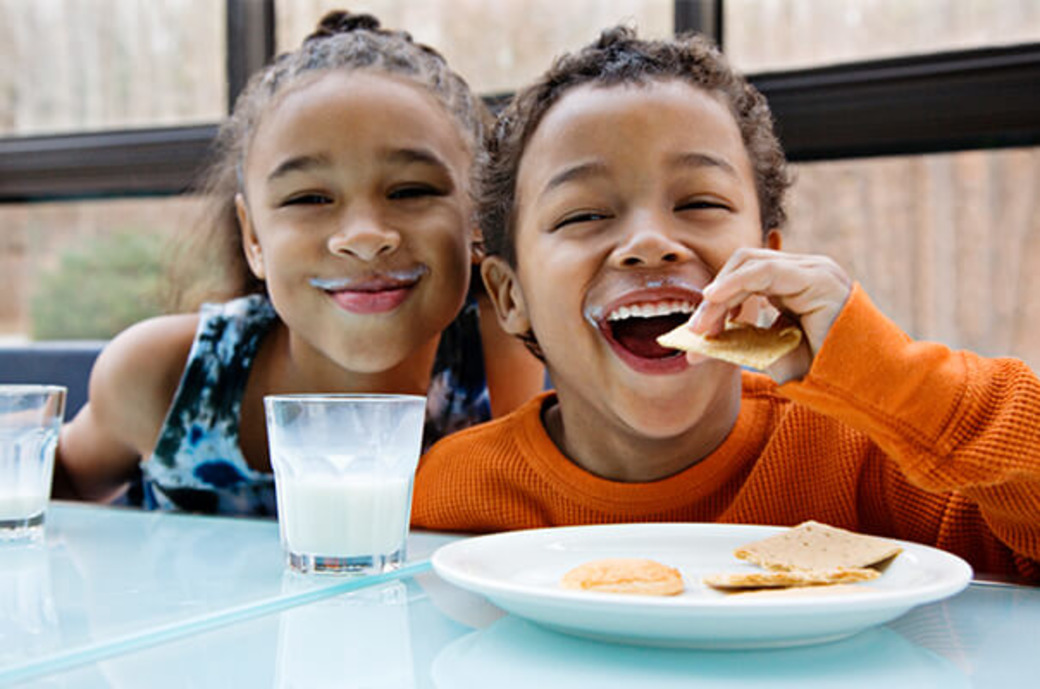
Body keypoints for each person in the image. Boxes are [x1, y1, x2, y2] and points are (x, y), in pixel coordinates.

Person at [411, 26, 1040, 580]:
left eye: (700, 203)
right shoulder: (455, 490)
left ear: (768, 260)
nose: (650, 243)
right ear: (510, 295)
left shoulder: (867, 460)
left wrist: (894, 376)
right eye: (585, 213)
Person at [54, 11, 543, 516]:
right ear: (253, 238)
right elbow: (51, 483)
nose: (364, 237)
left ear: (478, 218)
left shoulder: (503, 346)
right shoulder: (165, 376)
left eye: (412, 190)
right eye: (309, 198)